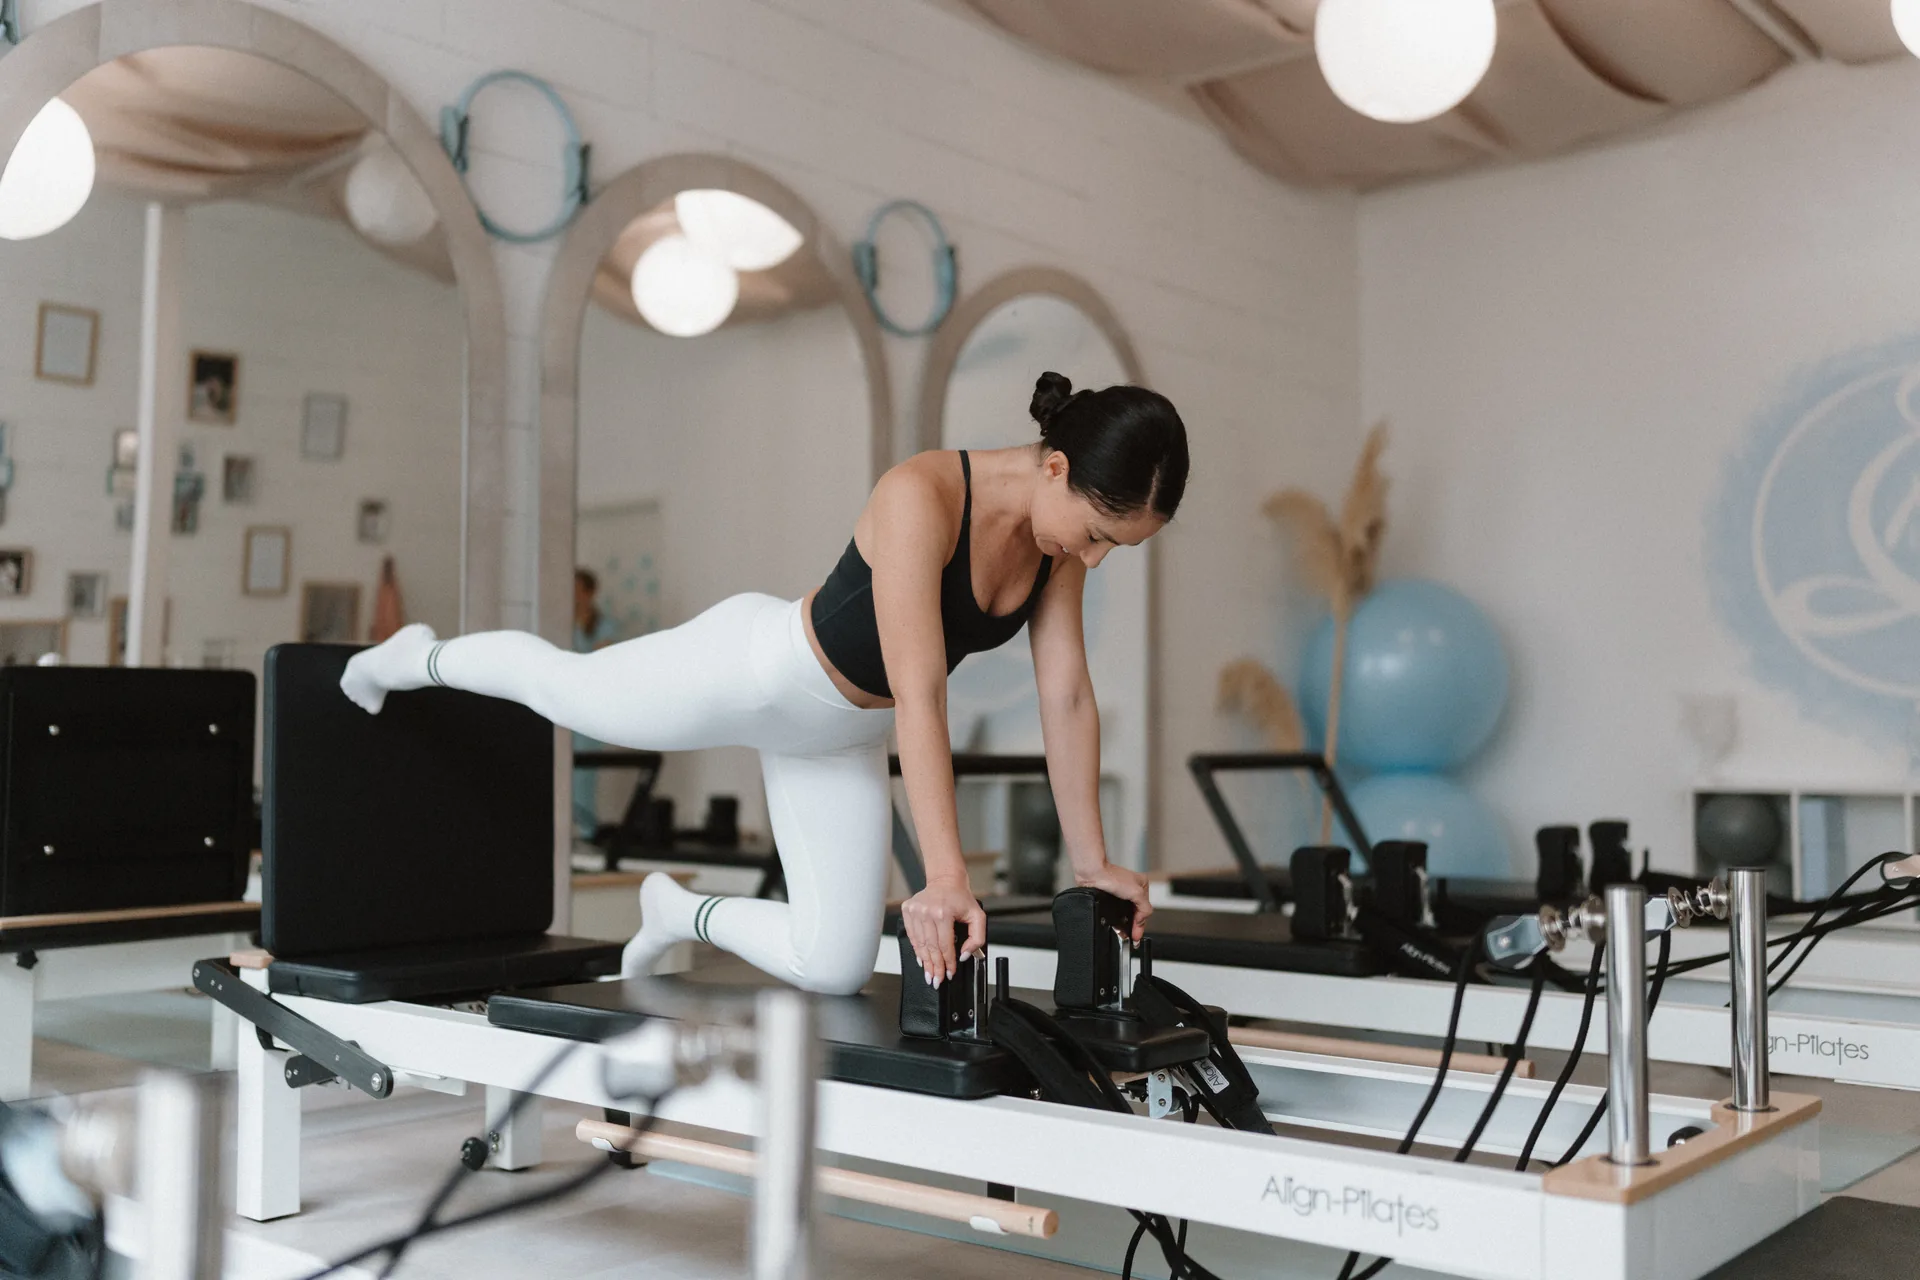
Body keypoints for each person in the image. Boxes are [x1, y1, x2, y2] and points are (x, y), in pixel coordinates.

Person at [339, 371, 1189, 996]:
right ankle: (412, 656)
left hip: (841, 737)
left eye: (1118, 545)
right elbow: (921, 691)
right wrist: (943, 875)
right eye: (1098, 532)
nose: (1096, 555)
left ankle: (677, 912)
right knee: (569, 689)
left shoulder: (1057, 547)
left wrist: (1094, 865)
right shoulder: (921, 494)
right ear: (1055, 468)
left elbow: (1065, 696)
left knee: (834, 965)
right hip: (755, 670)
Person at [570, 568, 620, 836]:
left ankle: (587, 830)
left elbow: (601, 659)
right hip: (568, 706)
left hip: (589, 709)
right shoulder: (562, 621)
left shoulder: (604, 625)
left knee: (584, 776)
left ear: (589, 592)